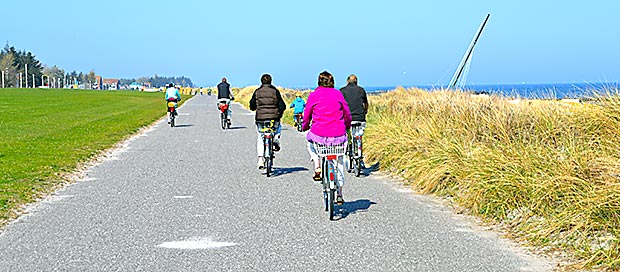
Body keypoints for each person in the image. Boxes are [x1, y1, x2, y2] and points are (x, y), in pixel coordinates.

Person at [302, 71, 352, 204]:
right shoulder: (338, 94)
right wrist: (346, 126)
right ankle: (340, 192)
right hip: (338, 136)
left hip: (319, 135)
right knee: (339, 161)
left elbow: (307, 114)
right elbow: (347, 113)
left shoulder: (314, 95)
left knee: (310, 144)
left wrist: (305, 126)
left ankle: (317, 165)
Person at [250, 74, 286, 169]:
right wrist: (279, 115)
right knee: (278, 128)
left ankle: (260, 159)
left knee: (261, 137)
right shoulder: (275, 91)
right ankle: (276, 139)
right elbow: (282, 105)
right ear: (271, 81)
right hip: (274, 118)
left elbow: (252, 106)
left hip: (260, 119)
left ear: (261, 81)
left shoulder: (257, 91)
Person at [340, 74, 369, 168]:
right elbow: (365, 103)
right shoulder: (361, 90)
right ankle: (360, 156)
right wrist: (365, 112)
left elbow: (339, 105)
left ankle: (349, 149)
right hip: (360, 118)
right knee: (359, 135)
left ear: (347, 81)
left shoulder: (342, 91)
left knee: (349, 134)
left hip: (347, 119)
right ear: (356, 81)